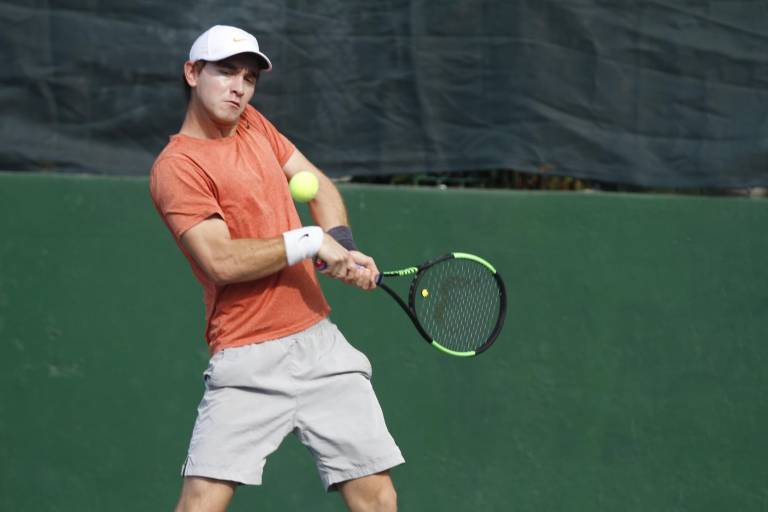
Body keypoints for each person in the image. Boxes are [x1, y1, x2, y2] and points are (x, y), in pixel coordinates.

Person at [149, 25, 404, 512]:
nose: (239, 87)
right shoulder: (177, 166)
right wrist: (310, 240)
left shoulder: (253, 125)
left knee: (377, 499)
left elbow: (318, 185)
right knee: (200, 504)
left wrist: (343, 246)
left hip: (319, 344)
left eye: (249, 78)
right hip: (247, 355)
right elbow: (220, 260)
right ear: (192, 73)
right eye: (226, 72)